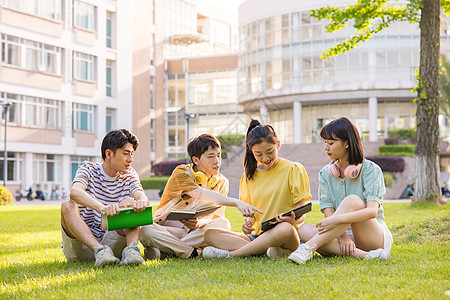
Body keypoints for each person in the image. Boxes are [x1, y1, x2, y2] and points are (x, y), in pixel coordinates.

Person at [289, 117, 393, 264]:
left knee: (352, 201)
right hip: (339, 234)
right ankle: (367, 256)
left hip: (372, 235)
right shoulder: (325, 173)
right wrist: (342, 235)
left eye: (331, 143)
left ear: (347, 143)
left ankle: (307, 249)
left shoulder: (371, 169)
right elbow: (328, 210)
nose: (326, 148)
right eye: (325, 143)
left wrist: (336, 220)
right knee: (304, 230)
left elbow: (372, 212)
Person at [140, 134, 262, 259]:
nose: (216, 161)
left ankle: (167, 250)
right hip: (169, 231)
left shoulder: (222, 181)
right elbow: (200, 194)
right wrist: (236, 203)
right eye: (210, 157)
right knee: (145, 229)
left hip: (195, 233)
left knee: (223, 223)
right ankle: (194, 252)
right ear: (196, 160)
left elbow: (215, 216)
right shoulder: (182, 172)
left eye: (218, 156)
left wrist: (198, 223)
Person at [202, 119, 311, 259]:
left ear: (277, 145)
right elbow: (251, 216)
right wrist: (248, 224)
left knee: (284, 228)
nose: (265, 158)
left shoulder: (293, 169)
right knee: (210, 234)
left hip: (288, 235)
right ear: (251, 151)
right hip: (259, 236)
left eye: (270, 151)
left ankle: (232, 255)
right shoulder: (248, 176)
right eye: (258, 154)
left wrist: (292, 220)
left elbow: (301, 213)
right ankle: (270, 251)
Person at [60, 129, 149, 267]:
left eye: (131, 154)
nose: (130, 159)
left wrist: (140, 202)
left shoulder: (130, 174)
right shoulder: (88, 168)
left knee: (132, 203)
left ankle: (132, 251)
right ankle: (99, 250)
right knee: (67, 205)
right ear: (108, 153)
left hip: (112, 243)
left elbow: (140, 195)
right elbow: (75, 192)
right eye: (126, 154)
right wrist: (103, 208)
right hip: (83, 245)